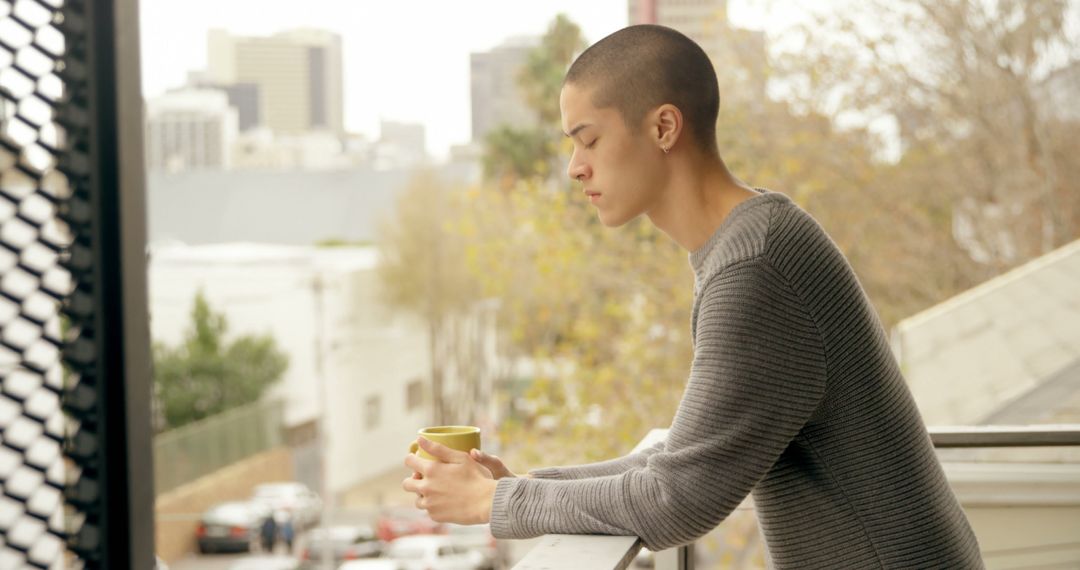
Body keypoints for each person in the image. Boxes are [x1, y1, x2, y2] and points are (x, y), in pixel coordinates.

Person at [403, 24, 984, 568]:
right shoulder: (756, 238)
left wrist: (496, 504)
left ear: (663, 128)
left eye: (590, 141)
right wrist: (523, 487)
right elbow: (680, 459)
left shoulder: (755, 269)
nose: (574, 168)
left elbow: (676, 499)